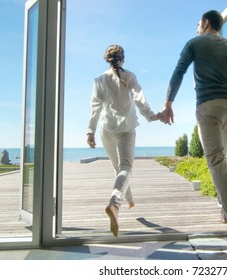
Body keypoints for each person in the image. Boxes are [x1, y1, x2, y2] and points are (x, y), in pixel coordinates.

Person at [161, 10, 227, 260]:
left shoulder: (194, 43)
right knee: (221, 162)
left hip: (209, 107)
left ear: (206, 23)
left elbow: (179, 71)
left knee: (215, 163)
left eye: (198, 23)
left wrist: (168, 102)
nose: (197, 28)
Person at [87, 45, 163, 237]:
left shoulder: (99, 80)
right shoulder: (130, 76)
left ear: (107, 59)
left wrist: (90, 132)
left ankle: (128, 200)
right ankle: (115, 203)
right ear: (123, 59)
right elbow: (139, 99)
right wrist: (152, 116)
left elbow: (95, 108)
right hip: (126, 129)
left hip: (107, 130)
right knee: (125, 168)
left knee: (118, 168)